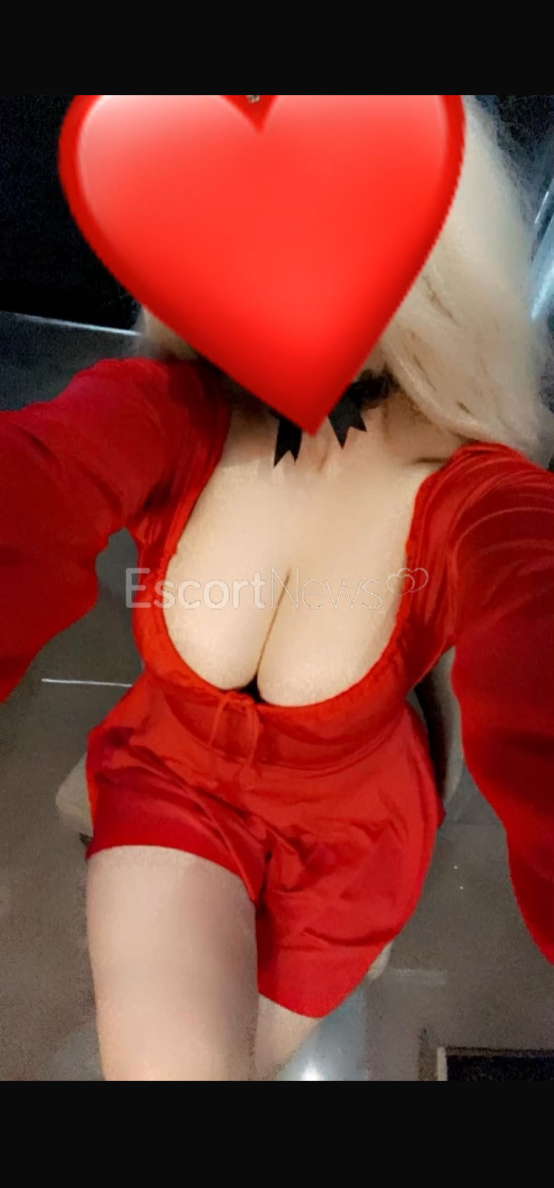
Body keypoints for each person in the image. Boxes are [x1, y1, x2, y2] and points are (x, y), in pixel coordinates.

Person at [1, 97, 553, 1081]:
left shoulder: (478, 498)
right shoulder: (172, 411)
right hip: (173, 790)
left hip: (350, 852)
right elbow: (30, 490)